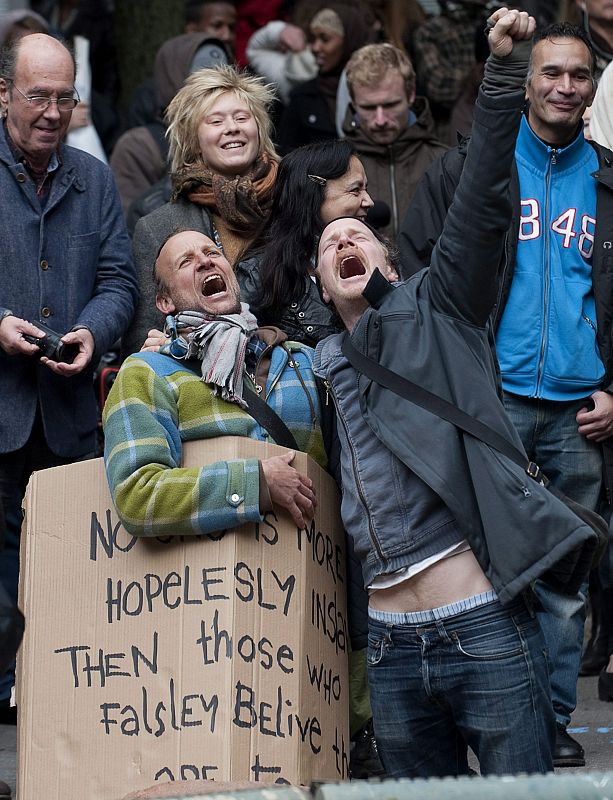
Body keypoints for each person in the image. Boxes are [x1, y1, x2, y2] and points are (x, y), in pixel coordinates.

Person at [312, 8, 599, 777]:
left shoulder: (438, 308)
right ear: (316, 279)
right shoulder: (315, 366)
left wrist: (502, 71)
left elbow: (478, 197)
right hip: (390, 646)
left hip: (480, 624)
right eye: (330, 241)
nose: (344, 239)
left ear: (391, 264)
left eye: (359, 235)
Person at [399, 20, 613, 766]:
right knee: (480, 573)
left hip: (578, 414)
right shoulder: (473, 169)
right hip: (489, 405)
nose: (564, 87)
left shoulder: (609, 182)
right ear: (525, 83)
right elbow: (418, 272)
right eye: (550, 72)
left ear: (593, 87)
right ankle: (489, 723)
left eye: (578, 75)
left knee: (562, 583)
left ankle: (547, 724)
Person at [0, 32, 138, 721]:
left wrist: (92, 330)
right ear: (3, 95)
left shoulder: (93, 178)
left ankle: (57, 709)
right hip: (2, 413)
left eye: (65, 97)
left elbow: (119, 281)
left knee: (65, 573)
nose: (53, 112)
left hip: (68, 418)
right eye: (38, 97)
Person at [103, 228, 325, 540]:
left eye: (212, 253)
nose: (205, 262)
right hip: (213, 572)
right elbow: (136, 497)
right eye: (185, 261)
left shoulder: (303, 361)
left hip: (311, 565)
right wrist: (256, 483)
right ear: (165, 301)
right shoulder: (146, 372)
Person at [123, 64, 278, 359]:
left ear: (259, 131)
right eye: (216, 121)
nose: (232, 127)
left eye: (242, 118)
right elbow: (143, 343)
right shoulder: (157, 227)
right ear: (194, 143)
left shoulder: (296, 203)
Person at [242, 138, 373, 346]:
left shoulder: (379, 255)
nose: (369, 201)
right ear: (312, 194)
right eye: (355, 190)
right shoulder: (260, 275)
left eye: (366, 189)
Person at [110, 32, 231, 213]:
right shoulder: (139, 146)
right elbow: (129, 223)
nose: (214, 92)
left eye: (224, 81)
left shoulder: (242, 134)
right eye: (202, 81)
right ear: (174, 79)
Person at [342, 43, 447, 242]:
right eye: (368, 108)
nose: (380, 120)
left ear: (411, 94)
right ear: (354, 103)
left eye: (390, 105)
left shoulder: (444, 162)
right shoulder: (336, 167)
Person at [277, 2, 374, 154]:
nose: (315, 48)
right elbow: (286, 156)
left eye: (325, 39)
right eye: (312, 39)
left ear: (349, 40)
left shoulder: (376, 92)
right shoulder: (302, 97)